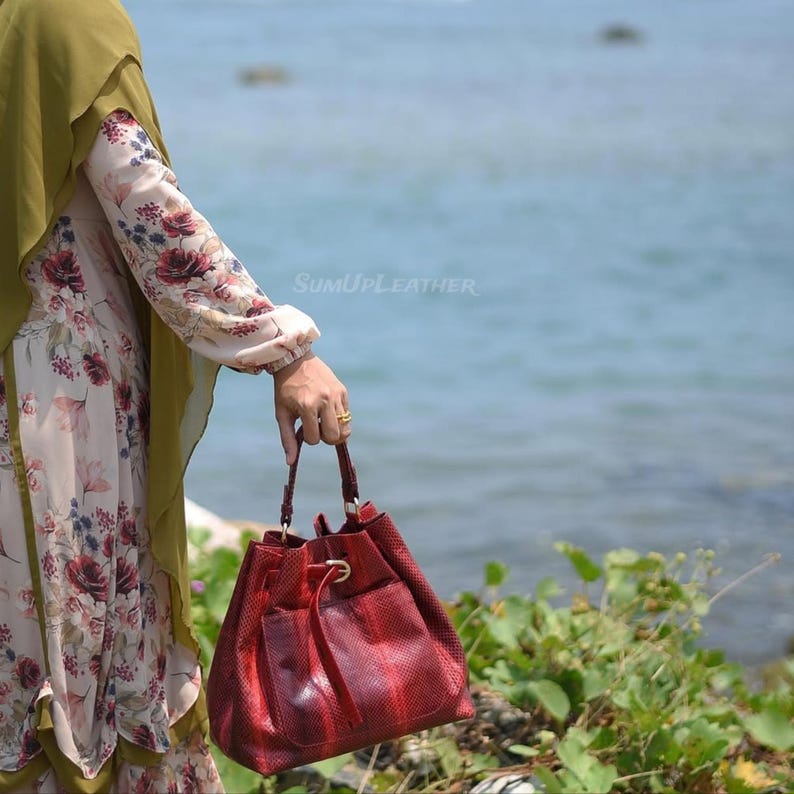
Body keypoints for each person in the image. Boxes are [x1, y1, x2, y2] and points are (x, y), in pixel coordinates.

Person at [0, 0, 351, 791]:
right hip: (56, 390)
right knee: (74, 628)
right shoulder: (66, 15)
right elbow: (145, 204)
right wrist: (280, 350)